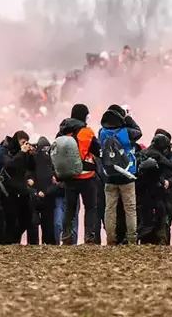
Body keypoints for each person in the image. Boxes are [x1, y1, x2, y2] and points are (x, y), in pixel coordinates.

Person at [99, 104, 142, 245]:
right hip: (127, 175)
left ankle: (111, 239)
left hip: (109, 175)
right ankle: (132, 239)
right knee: (130, 208)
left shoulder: (102, 132)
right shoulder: (127, 132)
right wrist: (127, 117)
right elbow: (139, 132)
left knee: (110, 209)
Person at [58, 103, 101, 245]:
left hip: (69, 175)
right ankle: (89, 238)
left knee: (69, 209)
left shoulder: (62, 131)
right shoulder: (87, 132)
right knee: (90, 208)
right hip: (87, 175)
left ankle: (66, 237)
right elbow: (97, 150)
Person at [0, 131, 36, 244]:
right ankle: (9, 243)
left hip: (22, 189)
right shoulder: (4, 151)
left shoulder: (23, 153)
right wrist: (21, 152)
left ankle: (15, 239)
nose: (24, 145)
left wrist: (31, 155)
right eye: (22, 142)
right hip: (8, 190)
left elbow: (31, 167)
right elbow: (9, 165)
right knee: (11, 220)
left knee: (27, 218)